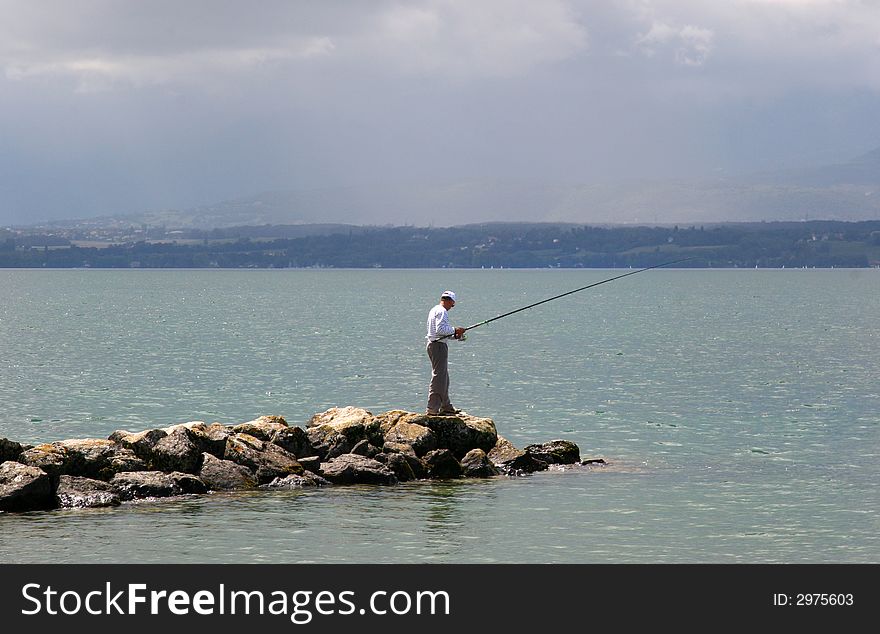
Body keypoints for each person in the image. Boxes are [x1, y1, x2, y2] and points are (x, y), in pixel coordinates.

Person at [425, 290, 466, 415]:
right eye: (452, 305)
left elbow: (439, 332)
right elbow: (441, 329)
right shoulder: (442, 311)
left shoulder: (434, 309)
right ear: (450, 301)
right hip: (438, 347)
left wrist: (455, 336)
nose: (451, 307)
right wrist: (456, 329)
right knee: (439, 377)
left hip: (434, 344)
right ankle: (432, 409)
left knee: (444, 378)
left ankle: (446, 406)